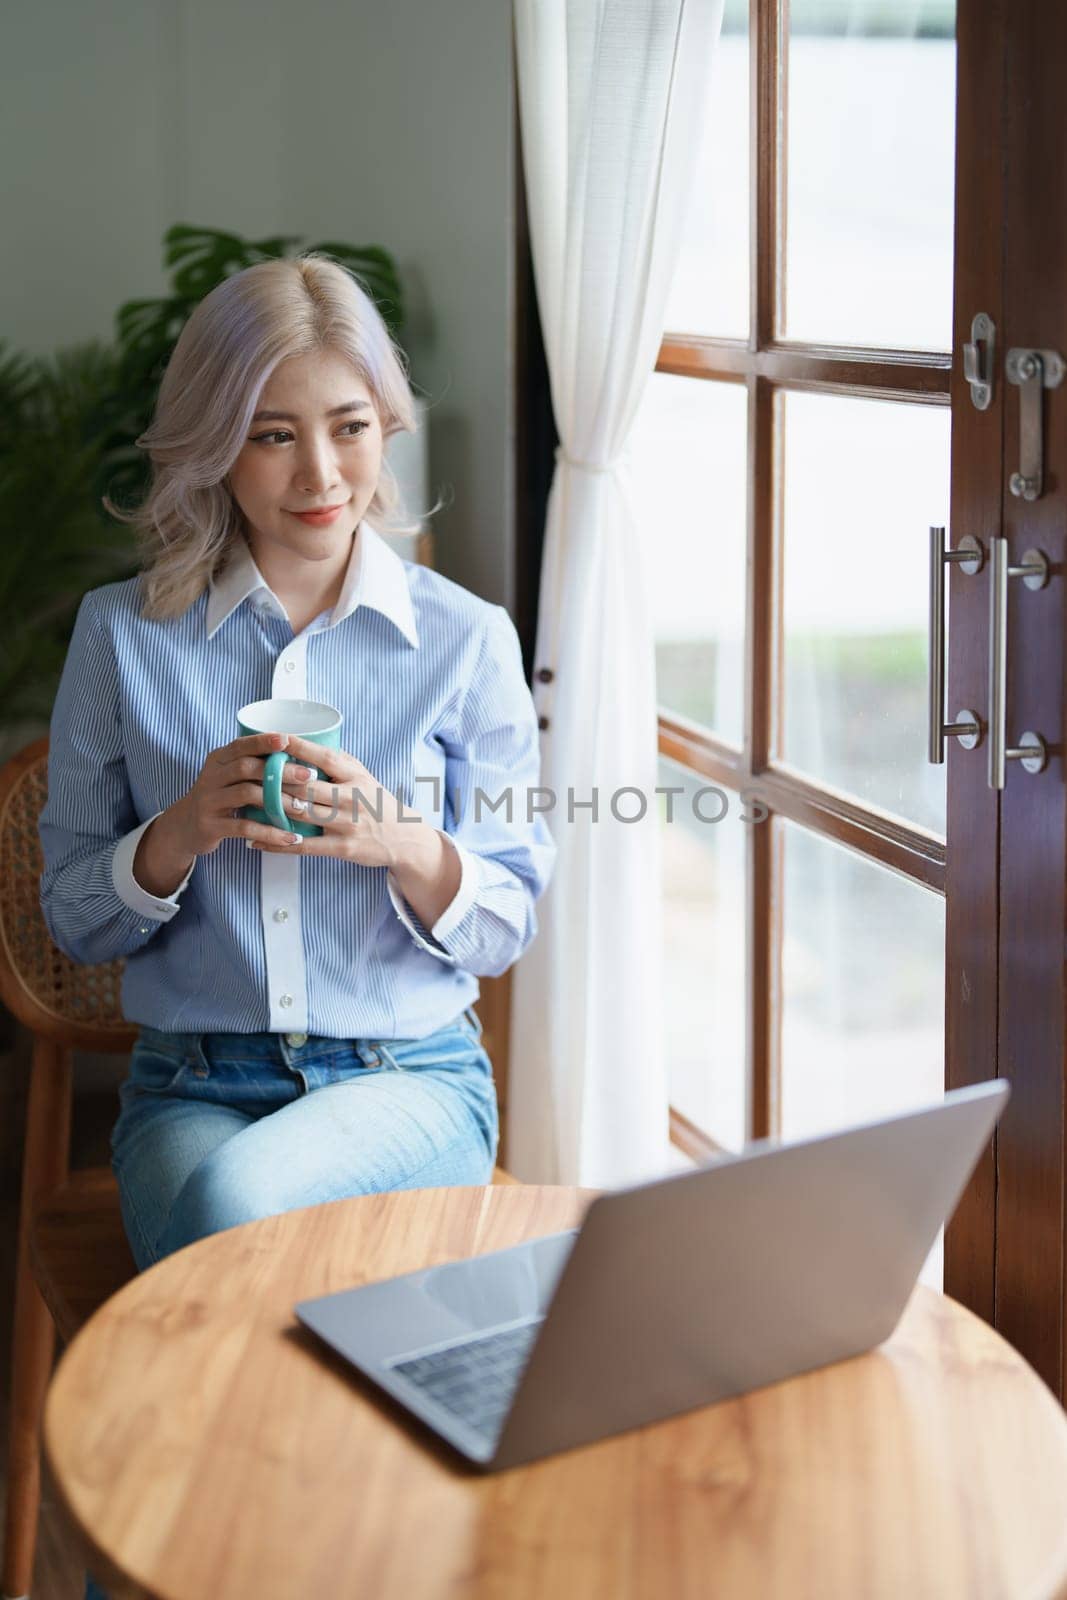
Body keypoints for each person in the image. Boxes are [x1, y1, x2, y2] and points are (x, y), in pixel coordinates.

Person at [37, 253, 555, 1600]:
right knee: (229, 1215)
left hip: (410, 1084)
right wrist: (178, 835)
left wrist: (398, 839)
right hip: (188, 1085)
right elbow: (71, 914)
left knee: (233, 1219)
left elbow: (506, 913)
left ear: (388, 422)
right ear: (216, 446)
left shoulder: (464, 642)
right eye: (273, 433)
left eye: (349, 424)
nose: (320, 471)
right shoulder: (124, 639)